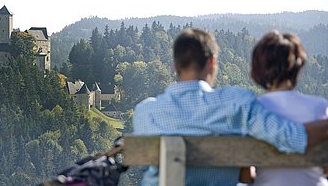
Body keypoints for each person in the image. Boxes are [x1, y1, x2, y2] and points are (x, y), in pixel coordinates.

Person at [132, 28, 328, 186]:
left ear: (175, 65)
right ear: (212, 62)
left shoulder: (145, 112)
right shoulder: (236, 105)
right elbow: (293, 138)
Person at [239, 31, 328, 186]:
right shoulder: (319, 106)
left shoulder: (253, 111)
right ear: (298, 67)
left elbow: (245, 176)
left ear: (258, 68)